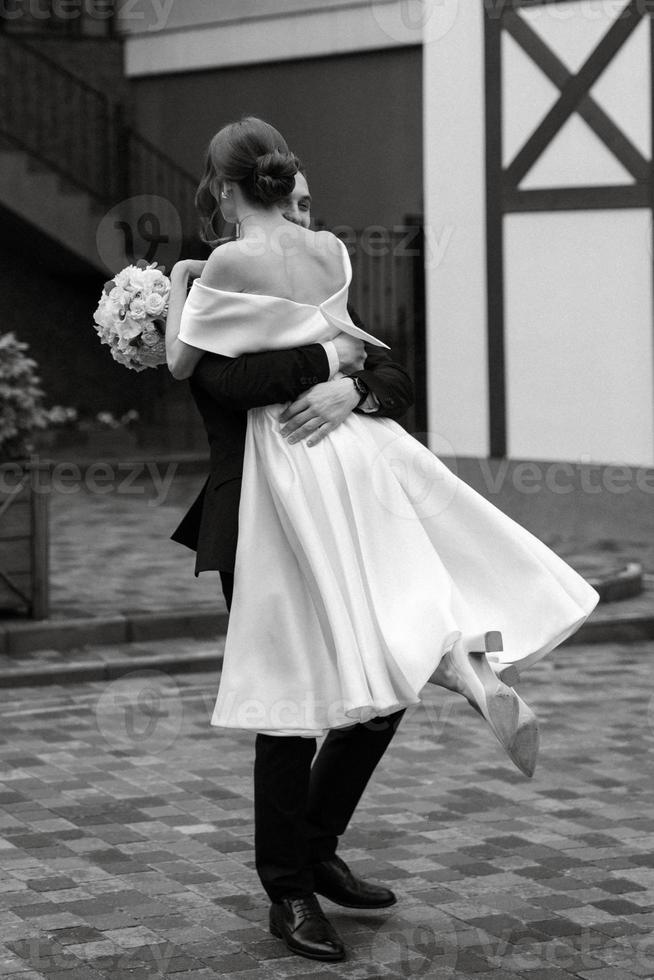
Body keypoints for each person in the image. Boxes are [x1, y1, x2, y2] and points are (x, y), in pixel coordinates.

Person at [166, 117, 600, 963]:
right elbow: (243, 378)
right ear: (282, 180)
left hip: (302, 476)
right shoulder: (328, 253)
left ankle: (313, 850)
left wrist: (350, 385)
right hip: (307, 494)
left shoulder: (223, 269)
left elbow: (210, 365)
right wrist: (337, 366)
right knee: (315, 680)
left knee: (361, 678)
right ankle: (289, 889)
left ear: (220, 187)